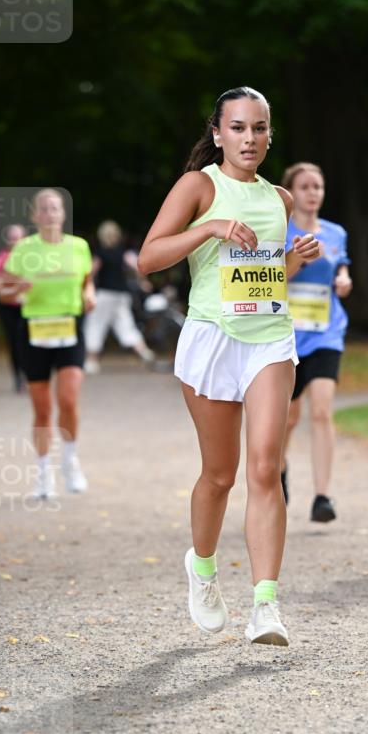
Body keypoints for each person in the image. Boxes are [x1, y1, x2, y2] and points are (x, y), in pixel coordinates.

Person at [137, 86, 319, 646]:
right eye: (238, 127)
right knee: (220, 474)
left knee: (266, 469)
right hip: (213, 337)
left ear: (270, 134)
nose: (250, 138)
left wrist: (292, 260)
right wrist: (210, 227)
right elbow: (149, 258)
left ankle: (266, 606)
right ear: (217, 133)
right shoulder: (199, 186)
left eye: (259, 128)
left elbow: (261, 275)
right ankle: (204, 567)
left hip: (269, 338)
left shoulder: (280, 199)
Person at [0, 189, 95, 498]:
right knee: (42, 410)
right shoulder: (24, 249)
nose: (51, 213)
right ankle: (43, 475)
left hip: (69, 326)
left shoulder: (78, 246)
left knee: (67, 400)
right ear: (35, 216)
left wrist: (89, 294)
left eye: (55, 208)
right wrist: (16, 289)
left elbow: (86, 281)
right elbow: (4, 292)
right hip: (34, 329)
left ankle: (70, 461)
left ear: (63, 214)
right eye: (44, 208)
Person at [280, 162, 352, 522]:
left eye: (318, 187)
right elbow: (271, 276)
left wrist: (344, 280)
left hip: (327, 330)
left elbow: (342, 268)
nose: (313, 193)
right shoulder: (280, 230)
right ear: (292, 192)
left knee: (322, 411)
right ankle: (277, 472)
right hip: (287, 333)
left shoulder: (336, 233)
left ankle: (323, 496)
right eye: (305, 187)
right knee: (288, 418)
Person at [84, 220, 155, 374]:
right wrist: (143, 282)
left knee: (96, 324)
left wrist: (84, 287)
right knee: (125, 323)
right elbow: (137, 266)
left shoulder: (100, 253)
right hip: (122, 295)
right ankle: (144, 352)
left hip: (104, 294)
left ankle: (92, 360)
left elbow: (90, 272)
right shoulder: (124, 252)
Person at [0, 223, 28, 391]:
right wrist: (9, 289)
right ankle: (18, 377)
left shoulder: (33, 257)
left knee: (28, 342)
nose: (15, 241)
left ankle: (32, 375)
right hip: (8, 306)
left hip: (28, 306)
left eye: (18, 237)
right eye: (12, 238)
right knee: (14, 342)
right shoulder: (2, 257)